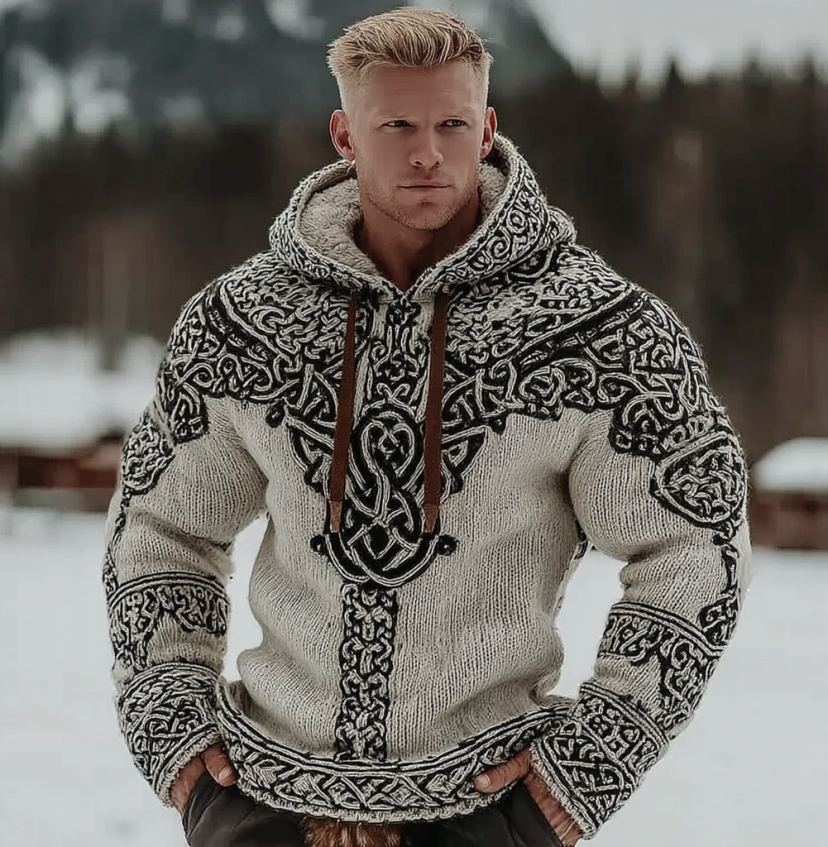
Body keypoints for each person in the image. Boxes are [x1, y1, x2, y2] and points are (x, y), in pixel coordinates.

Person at [102, 7, 752, 847]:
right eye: (397, 126)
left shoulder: (603, 331)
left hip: (489, 807)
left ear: (487, 128)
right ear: (345, 134)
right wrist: (173, 723)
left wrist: (593, 759)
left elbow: (694, 546)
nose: (426, 152)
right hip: (261, 800)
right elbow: (160, 528)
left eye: (451, 124)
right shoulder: (242, 322)